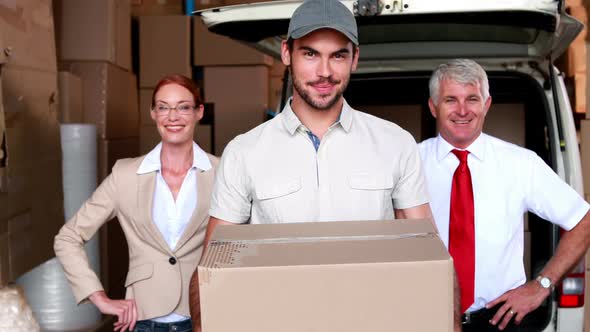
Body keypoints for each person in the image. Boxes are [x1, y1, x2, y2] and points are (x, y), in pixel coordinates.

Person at [189, 0, 439, 329]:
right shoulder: (244, 152)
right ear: (286, 53)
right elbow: (212, 271)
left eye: (338, 55)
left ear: (355, 59)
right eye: (310, 54)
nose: (324, 72)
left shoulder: (396, 144)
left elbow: (430, 259)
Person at [419, 59, 590, 331]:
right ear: (433, 106)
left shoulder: (521, 164)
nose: (462, 110)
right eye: (451, 99)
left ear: (486, 105)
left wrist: (542, 284)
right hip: (423, 317)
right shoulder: (409, 164)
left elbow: (583, 221)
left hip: (501, 321)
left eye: (472, 99)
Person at [54, 74, 218, 332]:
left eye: (183, 107)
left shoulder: (221, 172)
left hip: (206, 315)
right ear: (153, 113)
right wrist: (98, 297)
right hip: (143, 319)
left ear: (199, 112)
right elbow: (67, 238)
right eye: (163, 107)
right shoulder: (125, 175)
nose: (172, 117)